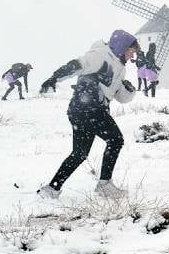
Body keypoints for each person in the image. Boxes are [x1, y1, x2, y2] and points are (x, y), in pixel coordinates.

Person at [36, 30, 140, 199]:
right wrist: (54, 78)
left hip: (82, 110)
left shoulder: (119, 67)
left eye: (134, 52)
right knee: (115, 140)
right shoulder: (101, 55)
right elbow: (78, 65)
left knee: (80, 153)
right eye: (131, 50)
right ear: (122, 46)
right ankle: (105, 185)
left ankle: (51, 189)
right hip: (89, 107)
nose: (132, 55)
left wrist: (130, 91)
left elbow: (120, 97)